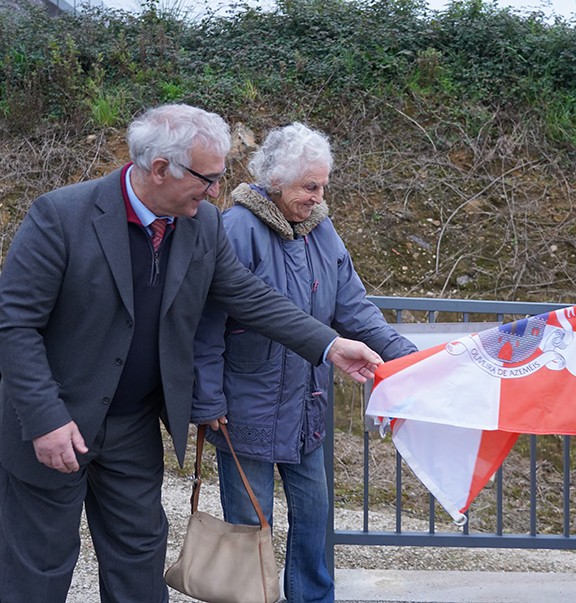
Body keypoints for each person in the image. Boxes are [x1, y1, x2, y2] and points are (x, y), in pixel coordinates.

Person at [0, 104, 383, 603]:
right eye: (210, 179)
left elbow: (250, 296)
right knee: (39, 568)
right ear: (161, 169)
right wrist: (46, 418)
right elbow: (14, 324)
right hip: (54, 429)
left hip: (132, 428)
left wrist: (329, 345)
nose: (217, 192)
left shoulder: (201, 225)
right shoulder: (61, 216)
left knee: (139, 563)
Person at [192, 122, 417, 603]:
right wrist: (207, 397)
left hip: (307, 406)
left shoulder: (323, 232)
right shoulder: (236, 228)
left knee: (315, 518)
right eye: (309, 186)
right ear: (276, 181)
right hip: (244, 406)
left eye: (323, 186)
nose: (318, 197)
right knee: (251, 526)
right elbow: (205, 325)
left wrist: (412, 359)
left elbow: (355, 310)